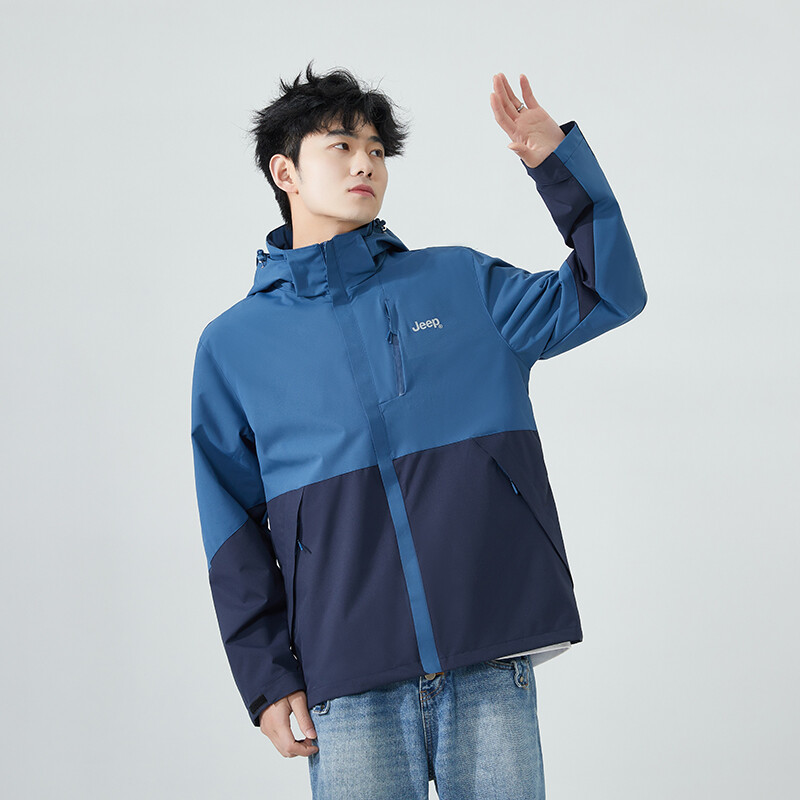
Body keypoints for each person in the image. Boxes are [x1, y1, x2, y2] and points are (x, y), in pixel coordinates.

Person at [190, 61, 647, 799]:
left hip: (488, 658)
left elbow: (611, 290)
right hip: (348, 681)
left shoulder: (461, 285)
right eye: (341, 145)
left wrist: (557, 167)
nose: (365, 163)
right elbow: (231, 532)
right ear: (286, 171)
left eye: (376, 149)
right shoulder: (233, 347)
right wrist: (266, 677)